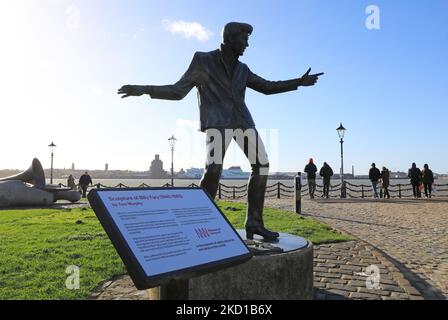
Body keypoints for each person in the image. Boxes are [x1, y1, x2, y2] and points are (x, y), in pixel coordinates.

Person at [118, 22, 323, 241]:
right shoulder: (203, 60)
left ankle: (254, 221)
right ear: (230, 38)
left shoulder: (243, 69)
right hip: (217, 122)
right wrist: (144, 89)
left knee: (261, 165)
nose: (247, 44)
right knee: (214, 169)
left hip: (243, 121)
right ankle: (199, 222)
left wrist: (298, 82)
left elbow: (267, 87)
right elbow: (178, 91)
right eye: (244, 39)